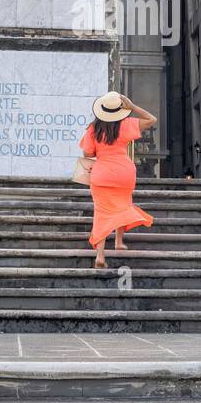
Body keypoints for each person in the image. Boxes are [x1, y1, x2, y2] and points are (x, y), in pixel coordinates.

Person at [80, 91, 156, 269]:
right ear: (120, 109)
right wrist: (133, 107)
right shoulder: (126, 124)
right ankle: (119, 241)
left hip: (102, 174)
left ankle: (100, 255)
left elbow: (88, 153)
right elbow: (152, 119)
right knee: (123, 204)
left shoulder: (94, 128)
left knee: (101, 212)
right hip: (124, 173)